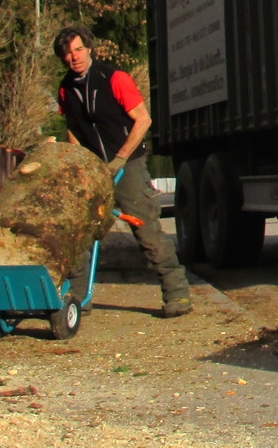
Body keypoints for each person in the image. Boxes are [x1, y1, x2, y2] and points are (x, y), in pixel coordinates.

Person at [54, 25, 192, 318]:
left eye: (79, 49)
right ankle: (78, 298)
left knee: (147, 231)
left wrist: (119, 159)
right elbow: (73, 129)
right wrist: (81, 162)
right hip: (92, 171)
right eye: (67, 53)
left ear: (89, 49)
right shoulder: (65, 88)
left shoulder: (114, 78)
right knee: (80, 233)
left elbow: (143, 120)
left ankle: (176, 292)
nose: (74, 57)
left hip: (127, 167)